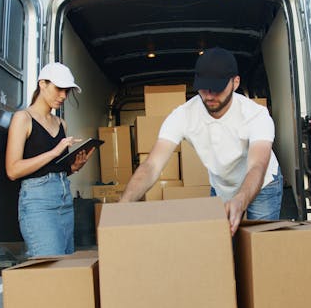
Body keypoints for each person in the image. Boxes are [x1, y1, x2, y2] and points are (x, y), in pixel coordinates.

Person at [120, 47, 283, 235]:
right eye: (204, 87)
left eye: (218, 87)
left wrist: (240, 200)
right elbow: (152, 166)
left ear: (235, 82)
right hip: (222, 186)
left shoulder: (256, 115)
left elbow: (257, 166)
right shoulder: (183, 115)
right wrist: (123, 205)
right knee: (222, 248)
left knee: (261, 247)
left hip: (262, 185)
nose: (210, 95)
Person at [5, 62, 94, 256]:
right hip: (38, 202)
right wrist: (55, 151)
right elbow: (12, 170)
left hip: (64, 198)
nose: (63, 96)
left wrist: (74, 167)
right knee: (50, 269)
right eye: (59, 89)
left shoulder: (62, 124)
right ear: (42, 84)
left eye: (67, 91)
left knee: (65, 266)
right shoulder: (23, 118)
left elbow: (52, 168)